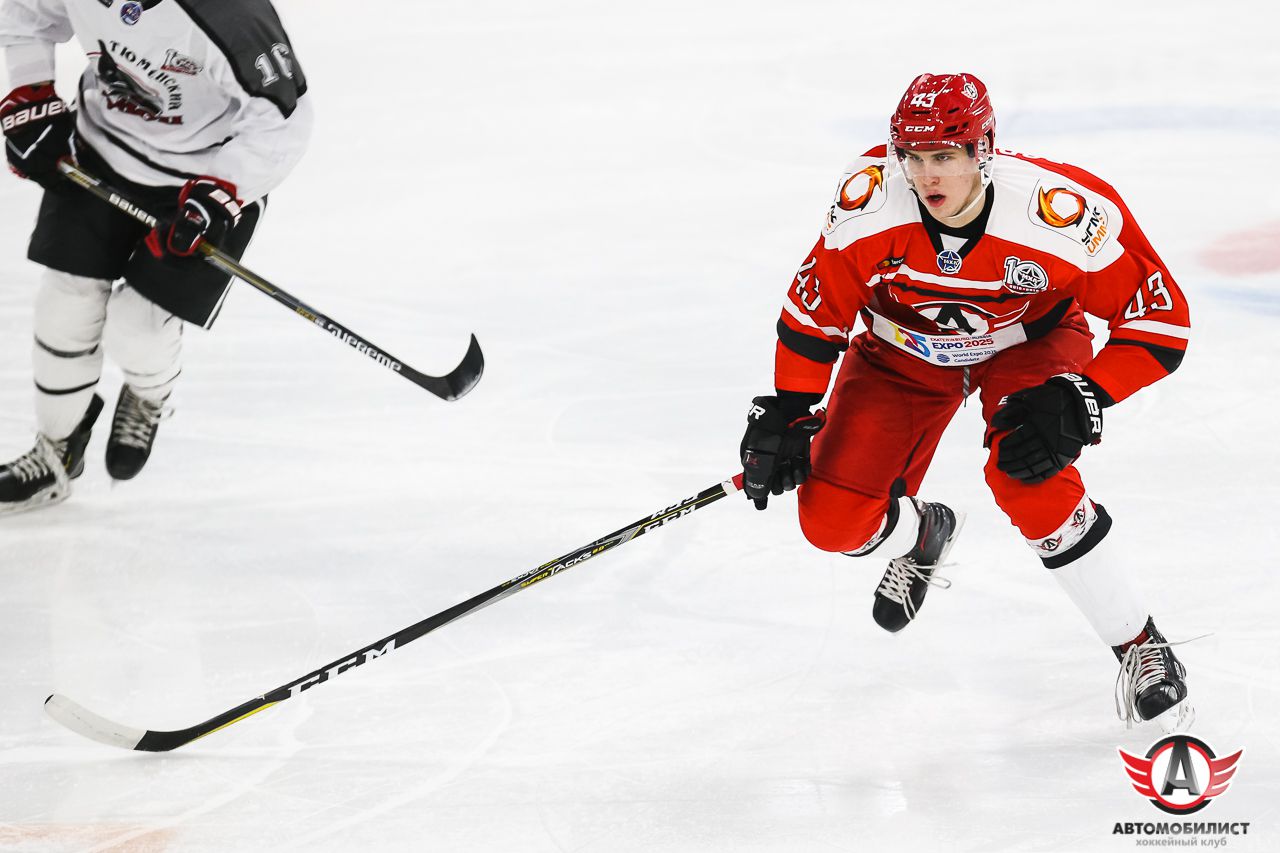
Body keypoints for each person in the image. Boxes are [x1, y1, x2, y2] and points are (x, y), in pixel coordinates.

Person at [739, 73, 1192, 729]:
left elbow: (1161, 320)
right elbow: (814, 317)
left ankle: (1140, 645)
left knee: (1030, 475)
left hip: (1027, 345)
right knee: (830, 523)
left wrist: (1082, 395)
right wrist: (788, 413)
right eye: (913, 156)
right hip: (903, 352)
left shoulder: (1059, 214)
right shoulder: (867, 206)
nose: (927, 175)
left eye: (945, 156)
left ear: (984, 149)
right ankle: (922, 533)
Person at [0, 0, 312, 514]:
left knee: (139, 328)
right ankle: (57, 450)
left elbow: (284, 119)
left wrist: (223, 192)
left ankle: (148, 394)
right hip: (100, 150)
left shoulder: (232, 15)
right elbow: (25, 15)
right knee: (64, 307)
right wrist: (28, 93)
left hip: (202, 184)